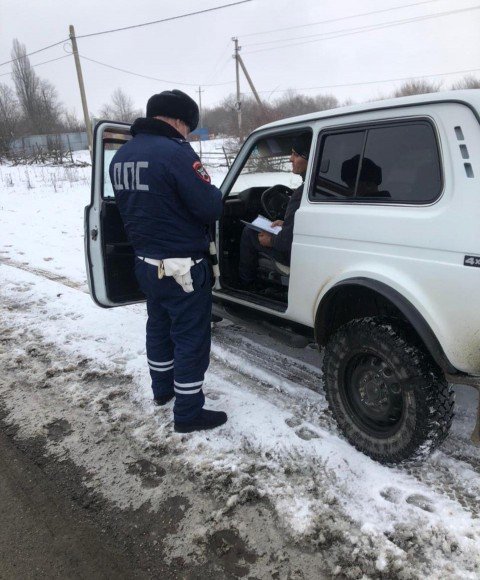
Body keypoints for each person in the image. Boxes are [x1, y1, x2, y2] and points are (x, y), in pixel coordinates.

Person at [109, 89, 227, 433]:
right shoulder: (176, 154)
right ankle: (189, 413)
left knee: (158, 327)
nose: (188, 133)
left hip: (145, 263)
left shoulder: (122, 156)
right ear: (178, 120)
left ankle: (162, 391)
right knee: (191, 338)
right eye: (188, 127)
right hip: (183, 270)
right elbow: (210, 206)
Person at [238, 133, 311, 287]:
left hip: (294, 254)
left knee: (249, 233)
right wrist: (286, 224)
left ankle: (246, 286)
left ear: (309, 158)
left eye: (296, 154)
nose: (291, 159)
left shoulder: (302, 194)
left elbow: (286, 243)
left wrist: (270, 240)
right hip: (308, 249)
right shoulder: (316, 189)